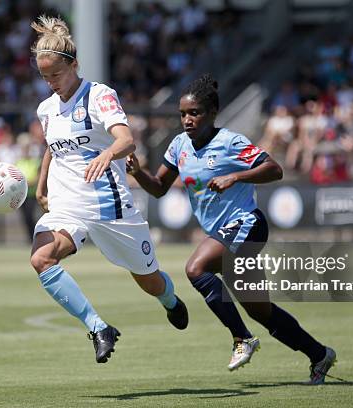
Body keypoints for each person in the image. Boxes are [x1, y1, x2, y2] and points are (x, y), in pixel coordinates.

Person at [127, 74, 336, 384]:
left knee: (196, 268)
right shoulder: (178, 146)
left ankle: (242, 338)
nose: (187, 119)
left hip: (247, 224)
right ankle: (319, 354)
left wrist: (235, 177)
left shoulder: (230, 142)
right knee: (261, 311)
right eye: (183, 114)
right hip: (224, 232)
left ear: (212, 113)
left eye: (194, 113)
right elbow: (158, 188)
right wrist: (138, 172)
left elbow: (274, 169)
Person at [28, 16, 188, 364]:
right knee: (41, 258)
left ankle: (170, 301)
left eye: (55, 73)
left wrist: (106, 153)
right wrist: (41, 186)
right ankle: (99, 326)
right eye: (44, 76)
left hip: (110, 206)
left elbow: (126, 141)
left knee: (149, 281)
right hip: (67, 206)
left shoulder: (99, 96)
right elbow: (52, 148)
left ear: (73, 64)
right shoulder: (46, 109)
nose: (51, 82)